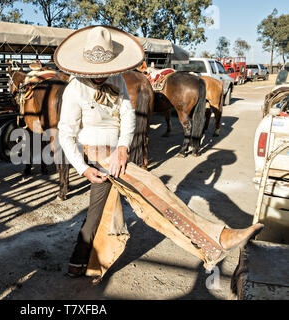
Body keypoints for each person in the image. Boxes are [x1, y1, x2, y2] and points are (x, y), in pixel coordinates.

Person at [54, 26, 264, 278]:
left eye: (105, 70)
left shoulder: (118, 79)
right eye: (97, 71)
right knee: (153, 189)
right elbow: (65, 134)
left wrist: (123, 147)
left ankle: (78, 262)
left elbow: (128, 116)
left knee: (99, 210)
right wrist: (84, 167)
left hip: (115, 153)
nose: (101, 76)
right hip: (94, 152)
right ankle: (215, 237)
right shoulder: (74, 89)